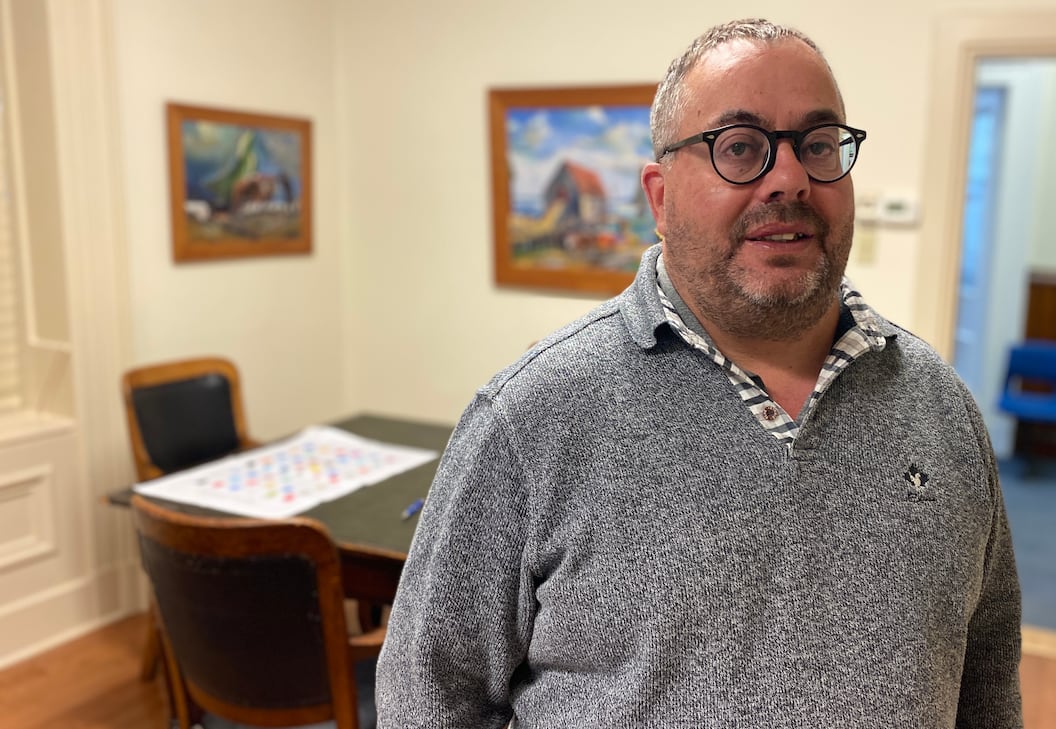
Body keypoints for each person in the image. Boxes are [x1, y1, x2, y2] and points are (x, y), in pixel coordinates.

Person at [377, 18, 1022, 728]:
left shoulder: (943, 409)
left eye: (818, 143)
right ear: (660, 197)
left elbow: (986, 679)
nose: (790, 178)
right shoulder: (528, 419)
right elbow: (426, 698)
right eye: (739, 146)